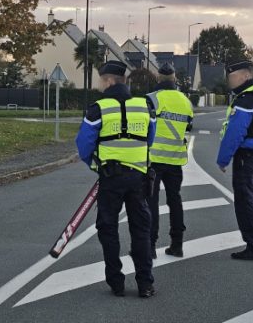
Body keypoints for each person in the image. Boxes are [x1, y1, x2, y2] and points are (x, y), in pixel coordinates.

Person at [75, 60, 157, 298]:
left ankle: (116, 282)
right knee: (141, 229)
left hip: (111, 178)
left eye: (102, 80)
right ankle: (145, 283)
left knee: (107, 228)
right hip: (139, 178)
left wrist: (96, 165)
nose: (100, 85)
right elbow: (149, 138)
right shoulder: (145, 106)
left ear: (109, 80)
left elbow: (83, 146)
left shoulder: (98, 108)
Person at [217, 60, 253, 260]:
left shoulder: (246, 99)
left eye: (231, 76)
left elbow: (235, 132)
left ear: (244, 75)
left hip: (246, 155)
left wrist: (223, 159)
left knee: (244, 202)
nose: (229, 80)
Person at [146, 63, 194, 258]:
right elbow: (189, 127)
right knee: (175, 200)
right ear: (174, 79)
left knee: (151, 202)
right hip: (175, 160)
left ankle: (150, 246)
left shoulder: (151, 99)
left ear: (158, 78)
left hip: (153, 160)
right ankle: (177, 244)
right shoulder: (186, 101)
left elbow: (144, 126)